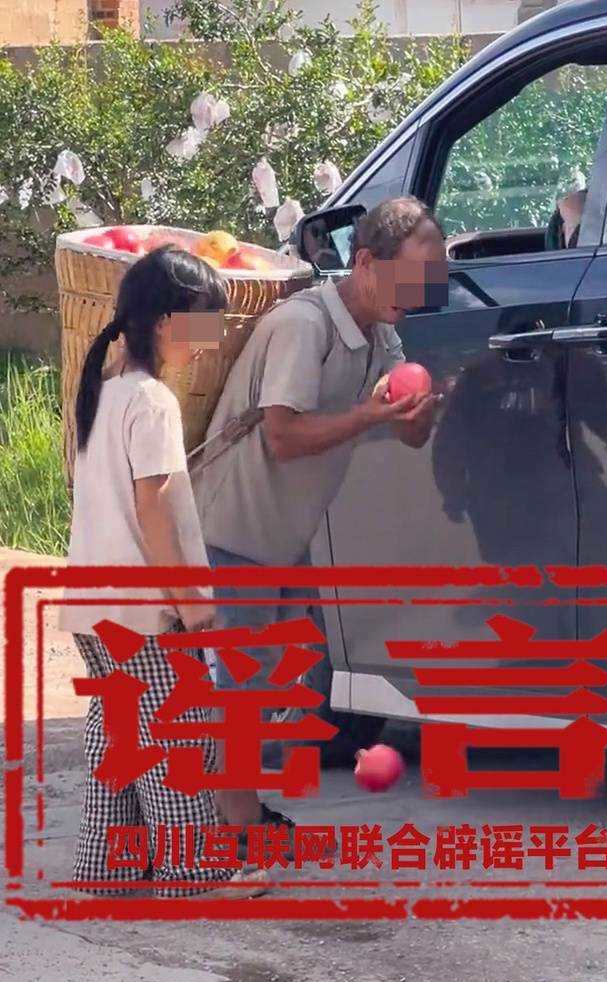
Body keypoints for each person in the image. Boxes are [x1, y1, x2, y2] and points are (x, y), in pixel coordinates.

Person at [192, 196, 447, 837]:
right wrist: (371, 414)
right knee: (243, 687)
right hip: (232, 529)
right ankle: (237, 827)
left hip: (281, 538)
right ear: (365, 264)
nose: (419, 291)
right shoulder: (304, 326)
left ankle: (223, 810)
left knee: (273, 678)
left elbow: (409, 434)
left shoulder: (380, 334)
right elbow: (283, 436)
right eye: (410, 273)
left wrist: (423, 410)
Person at [60, 245, 265, 897]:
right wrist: (192, 600)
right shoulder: (153, 403)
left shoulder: (101, 392)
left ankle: (109, 865)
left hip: (93, 607)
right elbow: (155, 510)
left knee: (118, 732)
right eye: (204, 323)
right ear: (164, 321)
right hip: (145, 611)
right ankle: (194, 871)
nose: (209, 341)